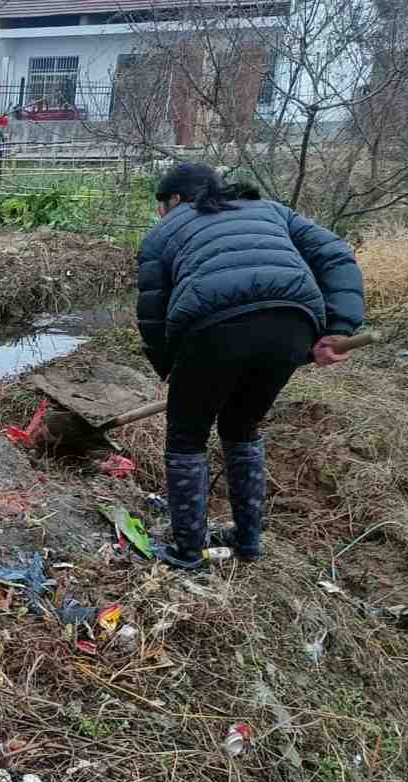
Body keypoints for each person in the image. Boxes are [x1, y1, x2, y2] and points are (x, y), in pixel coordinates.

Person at [136, 162, 364, 569]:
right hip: (293, 323)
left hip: (211, 327)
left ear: (175, 199)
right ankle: (247, 543)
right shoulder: (272, 211)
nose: (160, 213)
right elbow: (336, 255)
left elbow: (153, 314)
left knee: (187, 436)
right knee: (241, 426)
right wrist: (339, 326)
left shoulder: (164, 231)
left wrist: (171, 369)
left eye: (161, 203)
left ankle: (189, 553)